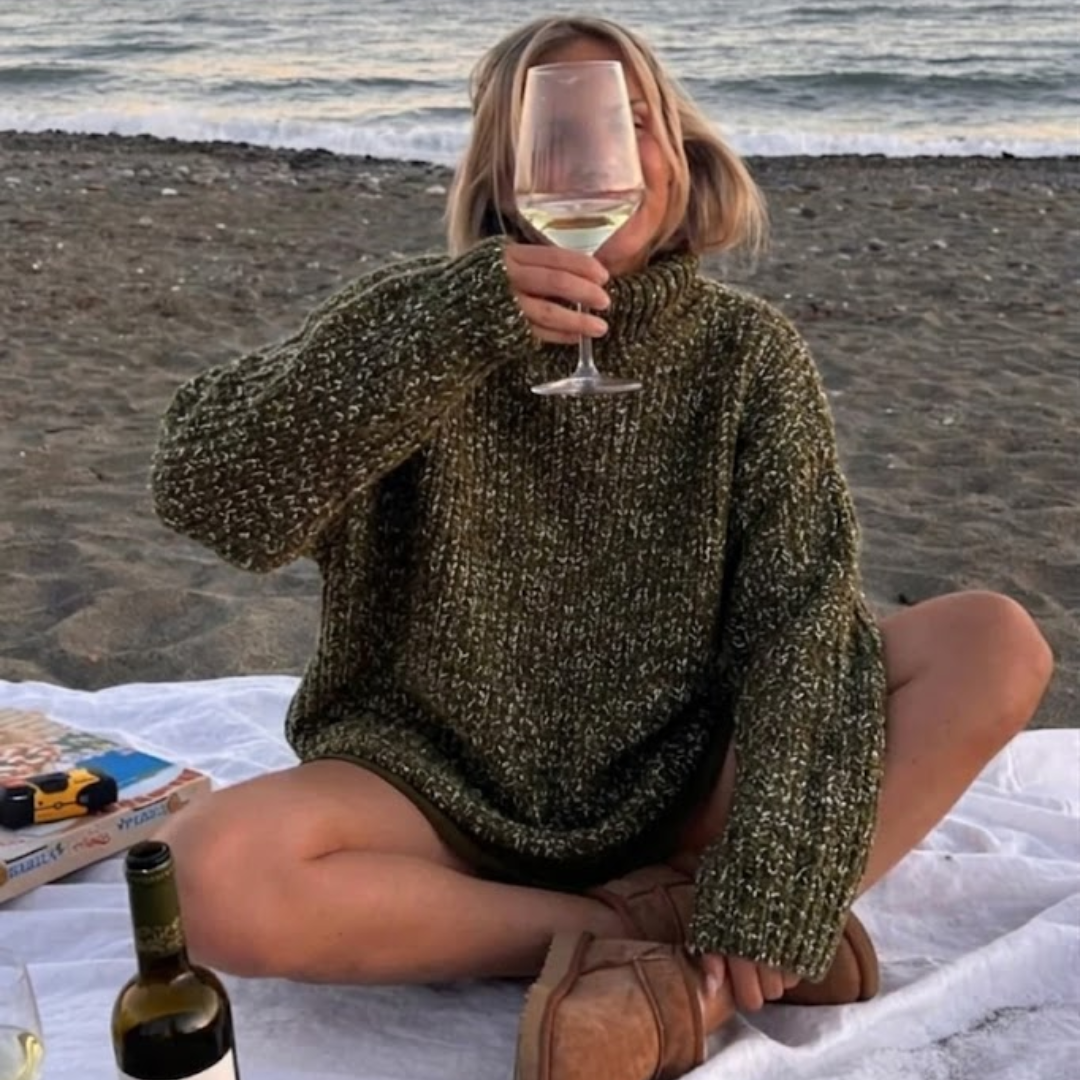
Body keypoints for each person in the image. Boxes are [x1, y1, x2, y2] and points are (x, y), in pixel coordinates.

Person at [148, 14, 1054, 1080]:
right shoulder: (408, 324)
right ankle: (645, 937)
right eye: (558, 136)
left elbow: (800, 620)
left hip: (683, 783)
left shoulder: (745, 353)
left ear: (681, 156)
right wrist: (446, 330)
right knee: (200, 877)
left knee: (993, 641)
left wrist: (779, 870)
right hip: (431, 783)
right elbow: (212, 497)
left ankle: (736, 912)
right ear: (505, 175)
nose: (599, 163)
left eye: (633, 125)